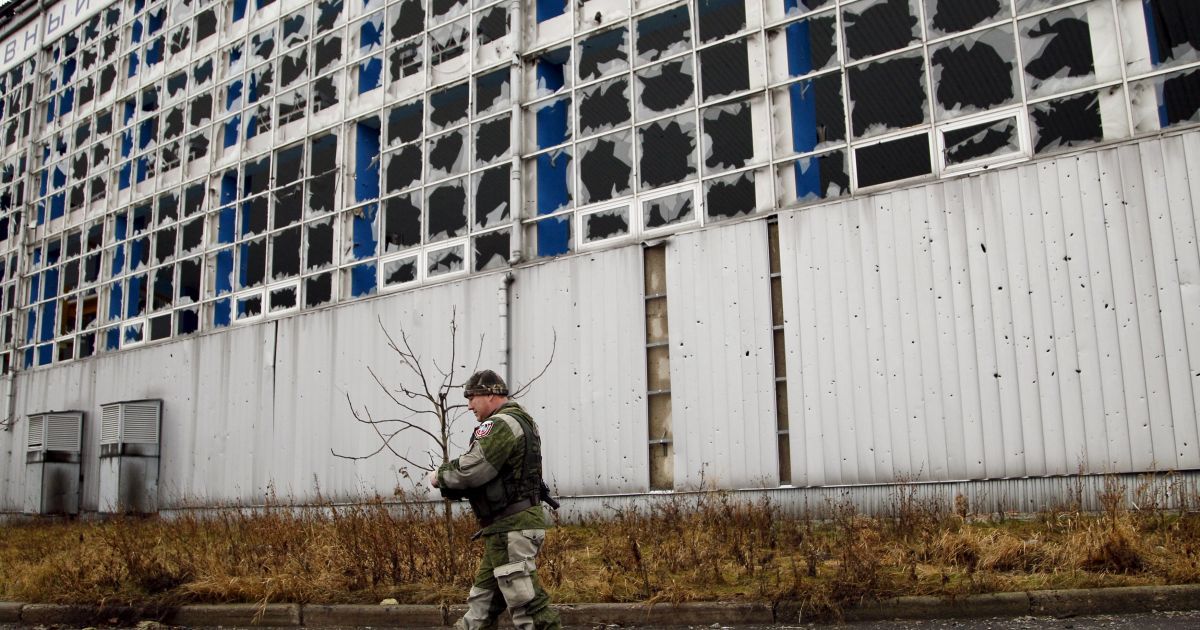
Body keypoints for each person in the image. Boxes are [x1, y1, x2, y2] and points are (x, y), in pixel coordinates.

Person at [428, 369, 562, 630]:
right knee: (481, 606)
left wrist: (439, 476)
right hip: (506, 528)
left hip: (511, 527)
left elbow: (475, 468)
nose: (469, 406)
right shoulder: (522, 421)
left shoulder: (501, 424)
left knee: (529, 609)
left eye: (472, 397)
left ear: (490, 394)